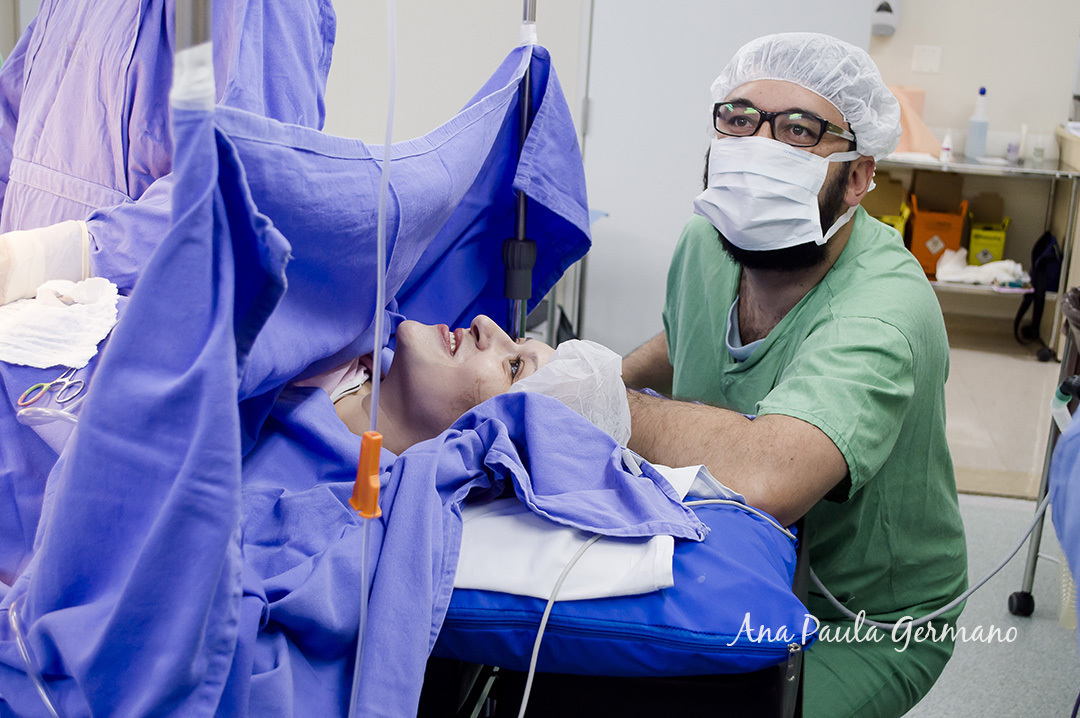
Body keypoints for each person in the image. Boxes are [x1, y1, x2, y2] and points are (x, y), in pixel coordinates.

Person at [621, 33, 967, 718]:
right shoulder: (707, 244)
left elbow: (770, 477)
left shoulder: (882, 310)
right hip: (723, 558)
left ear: (860, 175)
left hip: (858, 622)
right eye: (740, 118)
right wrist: (599, 371)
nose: (760, 146)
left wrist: (597, 404)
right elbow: (686, 331)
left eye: (800, 130)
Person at [296, 314, 555, 453]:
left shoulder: (313, 499)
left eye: (514, 367)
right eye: (515, 339)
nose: (483, 322)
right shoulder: (352, 316)